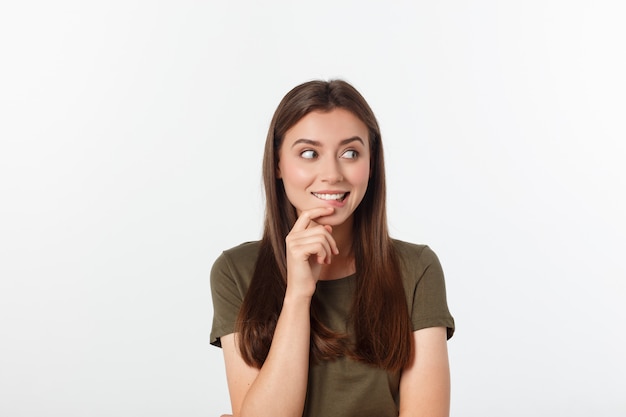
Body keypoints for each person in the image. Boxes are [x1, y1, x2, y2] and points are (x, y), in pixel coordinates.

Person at [210, 79, 455, 417]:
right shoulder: (235, 272)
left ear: (372, 163)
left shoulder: (417, 269)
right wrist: (297, 294)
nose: (331, 173)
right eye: (309, 153)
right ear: (278, 163)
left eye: (350, 153)